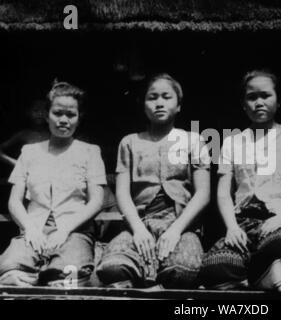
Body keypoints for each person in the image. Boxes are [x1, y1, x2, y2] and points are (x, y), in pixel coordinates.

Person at [199, 70, 281, 291]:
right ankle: (263, 277)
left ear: (278, 101)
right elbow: (223, 193)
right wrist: (232, 227)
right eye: (252, 97)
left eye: (266, 95)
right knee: (214, 266)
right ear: (244, 105)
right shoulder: (232, 142)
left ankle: (256, 275)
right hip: (243, 223)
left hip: (279, 220)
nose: (259, 102)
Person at [96, 73, 211, 289]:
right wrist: (138, 230)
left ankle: (149, 281)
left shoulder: (194, 140)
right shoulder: (129, 142)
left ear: (178, 106)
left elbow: (203, 193)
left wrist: (176, 230)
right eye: (152, 97)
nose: (159, 103)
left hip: (180, 223)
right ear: (144, 105)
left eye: (166, 97)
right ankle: (142, 276)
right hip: (140, 222)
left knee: (183, 270)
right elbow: (122, 193)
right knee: (112, 267)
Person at [0, 81, 106, 287]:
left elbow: (96, 201)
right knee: (9, 271)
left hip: (74, 230)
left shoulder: (90, 152)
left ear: (79, 117)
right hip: (34, 229)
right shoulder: (29, 153)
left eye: (71, 114)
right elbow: (14, 200)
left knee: (68, 277)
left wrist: (65, 229)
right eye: (58, 113)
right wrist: (30, 229)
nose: (64, 120)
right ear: (47, 115)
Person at [0, 99, 49, 168]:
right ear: (28, 112)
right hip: (28, 173)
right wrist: (16, 164)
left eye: (43, 111)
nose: (40, 114)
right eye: (36, 110)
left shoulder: (53, 134)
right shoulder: (24, 134)